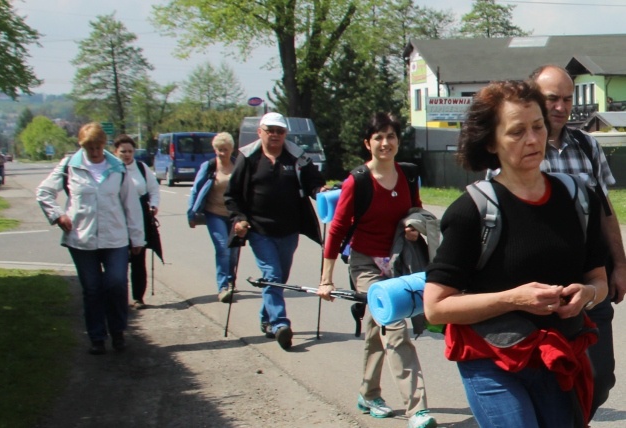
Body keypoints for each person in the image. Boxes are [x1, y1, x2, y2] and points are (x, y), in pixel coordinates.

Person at [424, 80, 608, 427]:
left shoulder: (578, 199)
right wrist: (513, 299)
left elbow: (597, 279)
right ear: (492, 142)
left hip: (555, 355)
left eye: (538, 127)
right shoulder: (472, 211)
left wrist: (587, 295)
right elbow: (435, 306)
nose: (533, 140)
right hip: (489, 357)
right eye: (517, 132)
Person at [317, 112, 437, 428]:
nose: (385, 143)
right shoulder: (356, 181)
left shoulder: (408, 175)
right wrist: (326, 279)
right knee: (394, 326)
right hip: (365, 263)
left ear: (398, 140)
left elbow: (415, 210)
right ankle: (417, 409)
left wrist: (413, 226)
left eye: (391, 136)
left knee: (376, 327)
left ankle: (368, 394)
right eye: (378, 137)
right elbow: (337, 229)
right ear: (368, 143)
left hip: (399, 260)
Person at [530, 64, 624, 417]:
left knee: (598, 378)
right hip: (536, 283)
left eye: (567, 99)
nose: (561, 106)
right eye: (552, 98)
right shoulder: (516, 146)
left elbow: (605, 212)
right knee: (547, 375)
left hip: (590, 276)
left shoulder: (586, 146)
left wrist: (620, 266)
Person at [36, 122, 145, 355]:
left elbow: (131, 205)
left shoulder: (118, 167)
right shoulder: (70, 165)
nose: (95, 153)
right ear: (82, 146)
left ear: (104, 145)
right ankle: (97, 337)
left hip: (115, 237)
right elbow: (44, 192)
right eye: (89, 149)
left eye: (98, 147)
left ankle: (117, 332)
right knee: (92, 288)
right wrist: (58, 215)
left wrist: (137, 239)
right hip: (81, 239)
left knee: (116, 283)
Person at [224, 112, 326, 351]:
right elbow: (232, 195)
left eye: (280, 131)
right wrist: (239, 219)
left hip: (289, 229)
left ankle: (267, 317)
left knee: (279, 278)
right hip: (259, 229)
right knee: (272, 274)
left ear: (285, 134)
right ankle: (281, 324)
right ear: (260, 132)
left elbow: (314, 183)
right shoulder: (248, 157)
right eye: (270, 130)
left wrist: (322, 190)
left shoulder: (296, 157)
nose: (275, 135)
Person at [187, 132, 239, 304]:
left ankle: (231, 280)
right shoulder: (209, 166)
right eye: (218, 149)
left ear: (231, 149)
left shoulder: (238, 165)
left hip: (234, 215)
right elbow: (196, 189)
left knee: (233, 251)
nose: (221, 153)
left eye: (225, 149)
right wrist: (191, 214)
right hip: (214, 212)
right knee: (222, 247)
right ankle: (222, 287)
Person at [114, 134, 161, 309]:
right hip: (117, 216)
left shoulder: (141, 168)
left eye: (130, 151)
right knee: (118, 260)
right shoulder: (112, 170)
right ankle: (119, 297)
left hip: (140, 216)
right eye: (123, 151)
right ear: (115, 152)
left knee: (138, 257)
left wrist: (154, 205)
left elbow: (154, 189)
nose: (127, 155)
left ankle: (138, 297)